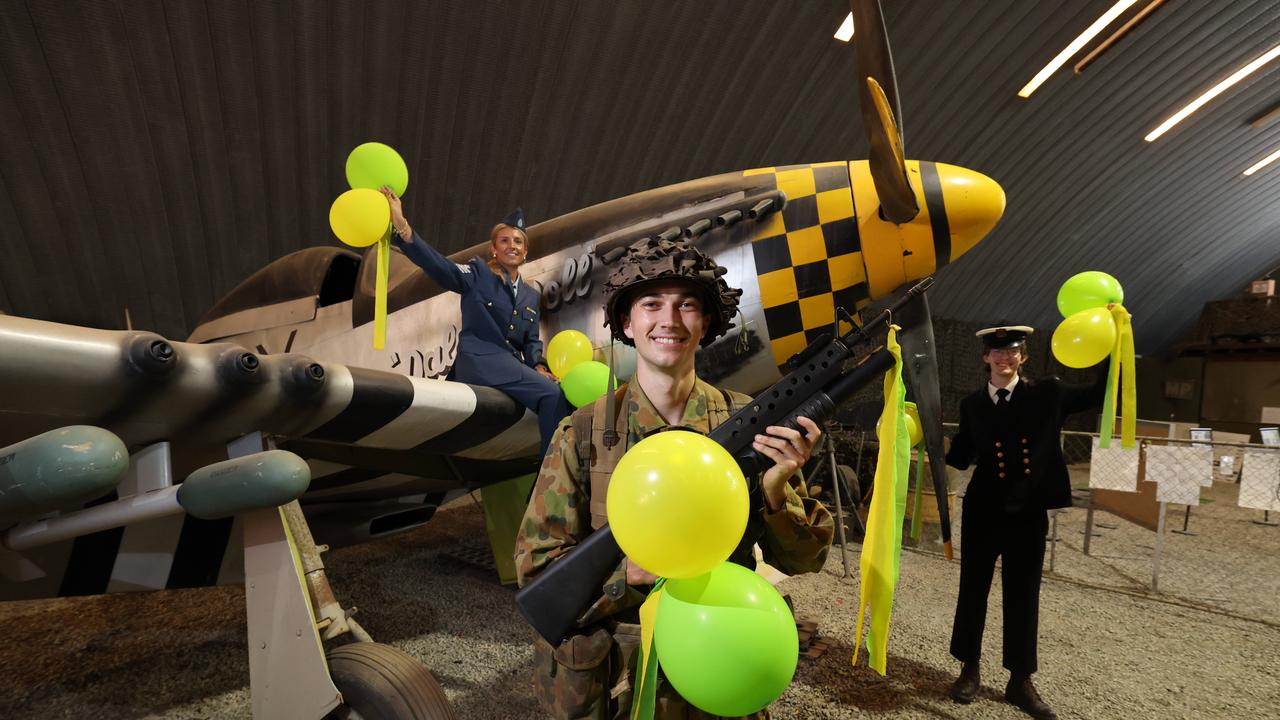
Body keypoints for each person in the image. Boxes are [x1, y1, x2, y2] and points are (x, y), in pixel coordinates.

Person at [513, 237, 834, 719]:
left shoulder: (747, 423)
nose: (669, 320)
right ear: (628, 322)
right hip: (617, 687)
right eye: (651, 304)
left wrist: (774, 490)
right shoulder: (584, 433)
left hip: (717, 676)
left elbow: (806, 559)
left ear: (705, 324)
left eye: (687, 305)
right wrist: (630, 574)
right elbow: (535, 568)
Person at [944, 324, 1111, 720]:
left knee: (1022, 595)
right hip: (983, 510)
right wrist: (921, 435)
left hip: (1028, 513)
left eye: (1013, 351)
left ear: (1024, 356)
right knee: (973, 591)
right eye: (997, 352)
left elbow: (1099, 394)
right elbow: (962, 454)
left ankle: (1020, 680)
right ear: (985, 358)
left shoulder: (1048, 392)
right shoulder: (971, 405)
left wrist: (1113, 345)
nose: (1005, 358)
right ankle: (969, 668)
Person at [382, 188, 568, 456]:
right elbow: (440, 267)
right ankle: (550, 476)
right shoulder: (478, 273)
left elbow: (531, 341)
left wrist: (538, 365)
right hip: (481, 362)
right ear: (494, 249)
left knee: (562, 396)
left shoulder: (530, 296)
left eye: (517, 242)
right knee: (551, 395)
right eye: (504, 241)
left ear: (525, 251)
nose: (511, 246)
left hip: (508, 366)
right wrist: (403, 227)